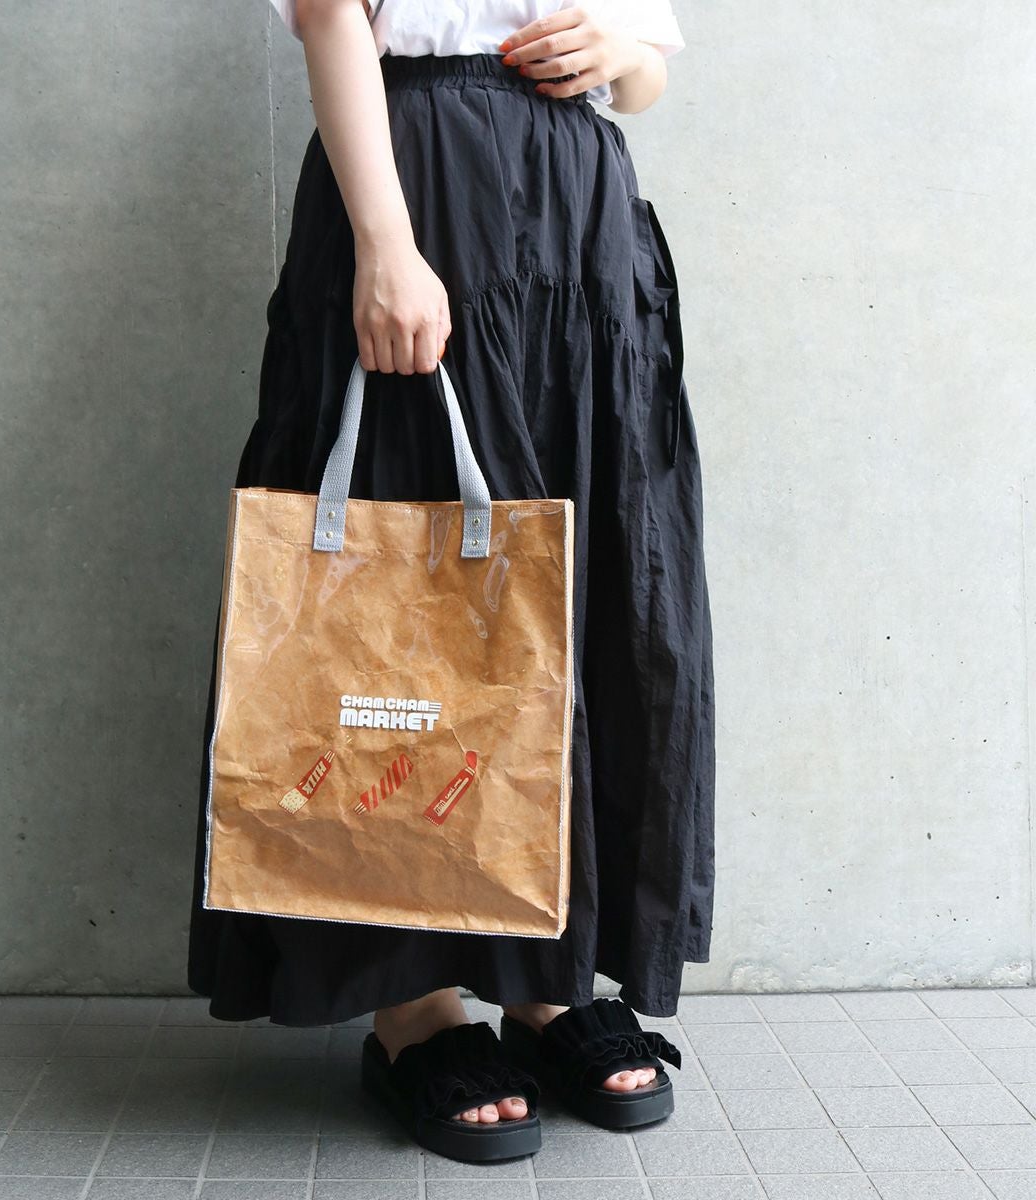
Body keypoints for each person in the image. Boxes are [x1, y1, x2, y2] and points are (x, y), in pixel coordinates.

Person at [188, 0, 715, 1158]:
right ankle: (411, 1006)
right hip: (413, 183)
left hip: (578, 222)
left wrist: (622, 55)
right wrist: (384, 242)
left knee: (568, 596)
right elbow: (330, 17)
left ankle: (547, 983)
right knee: (404, 595)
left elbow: (647, 78)